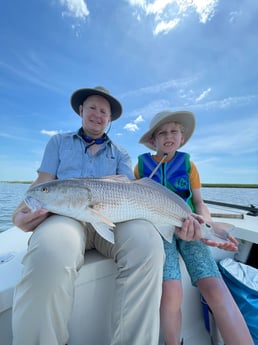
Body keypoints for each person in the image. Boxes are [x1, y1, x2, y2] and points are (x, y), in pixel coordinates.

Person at [11, 87, 204, 345]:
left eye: (104, 111)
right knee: (51, 250)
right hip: (67, 217)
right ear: (81, 111)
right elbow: (42, 183)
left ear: (110, 119)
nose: (97, 114)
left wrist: (178, 219)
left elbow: (130, 191)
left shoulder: (121, 154)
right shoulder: (58, 142)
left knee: (148, 244)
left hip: (112, 218)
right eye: (92, 107)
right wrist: (18, 216)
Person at [134, 110, 254, 345]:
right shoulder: (140, 167)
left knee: (215, 286)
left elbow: (199, 203)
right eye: (162, 132)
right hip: (160, 232)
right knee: (171, 291)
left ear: (182, 137)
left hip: (190, 227)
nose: (169, 136)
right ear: (153, 140)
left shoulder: (190, 166)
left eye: (174, 131)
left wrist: (205, 225)